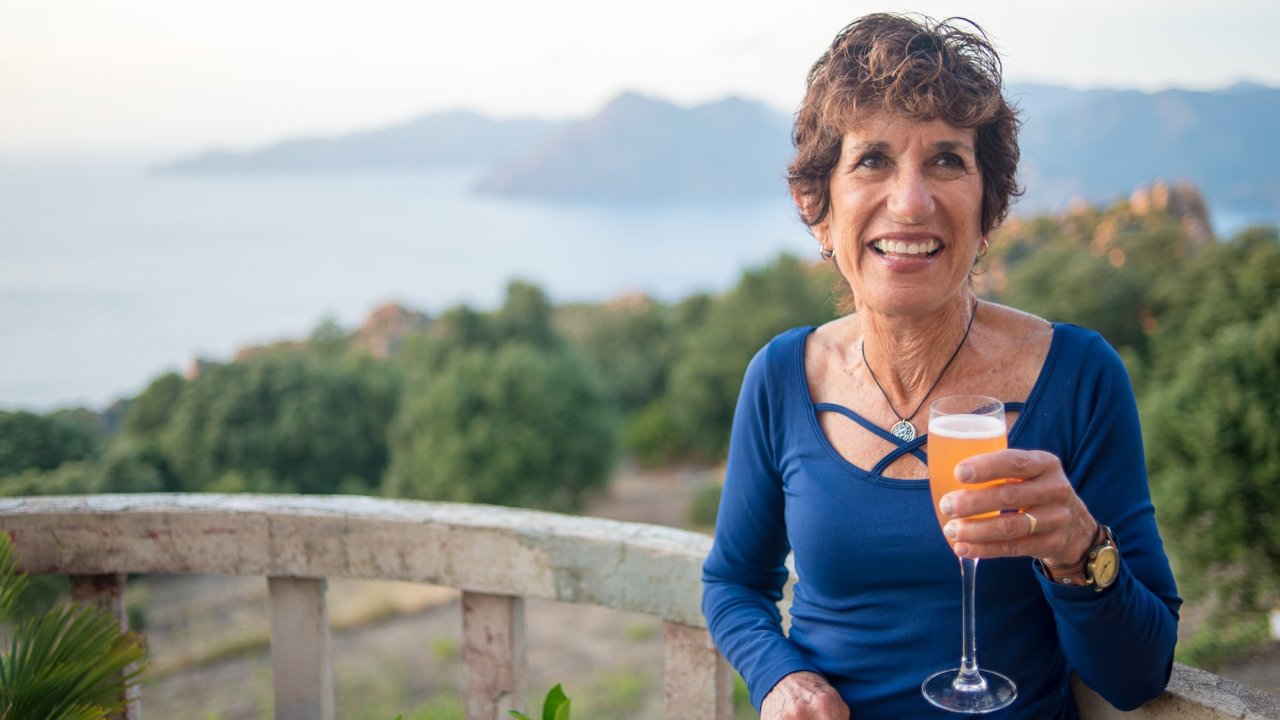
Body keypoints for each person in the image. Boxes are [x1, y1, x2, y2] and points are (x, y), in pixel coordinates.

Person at [700, 13, 1180, 719]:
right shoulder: (781, 377)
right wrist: (780, 677)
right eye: (872, 160)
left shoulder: (1078, 376)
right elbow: (734, 583)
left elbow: (1137, 676)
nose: (911, 202)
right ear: (817, 207)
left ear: (988, 209)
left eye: (948, 161)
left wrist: (1079, 551)